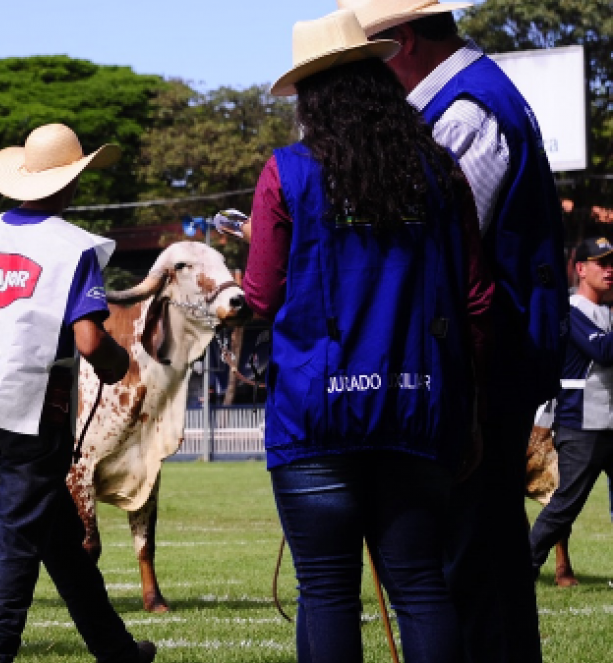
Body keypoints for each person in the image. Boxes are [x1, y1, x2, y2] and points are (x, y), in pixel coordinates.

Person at [243, 9, 493, 663]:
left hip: (315, 415)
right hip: (419, 407)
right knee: (420, 587)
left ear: (310, 95)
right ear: (379, 80)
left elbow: (262, 295)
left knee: (325, 592)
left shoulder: (286, 173)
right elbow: (478, 299)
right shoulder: (440, 173)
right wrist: (471, 408)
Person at [337, 2, 569, 661]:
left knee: (469, 554)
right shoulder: (468, 100)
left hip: (485, 359)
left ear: (402, 42)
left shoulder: (468, 112)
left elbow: (439, 246)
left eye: (369, 54)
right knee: (475, 549)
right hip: (481, 353)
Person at [0, 123, 156, 663]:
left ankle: (117, 651)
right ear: (72, 182)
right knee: (16, 542)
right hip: (38, 411)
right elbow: (89, 339)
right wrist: (119, 362)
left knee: (57, 532)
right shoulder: (71, 247)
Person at [528, 238, 613, 576]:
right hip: (581, 423)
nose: (609, 271)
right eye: (601, 263)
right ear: (580, 269)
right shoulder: (568, 310)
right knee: (564, 505)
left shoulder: (607, 312)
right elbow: (603, 351)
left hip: (609, 422)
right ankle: (525, 567)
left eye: (612, 264)